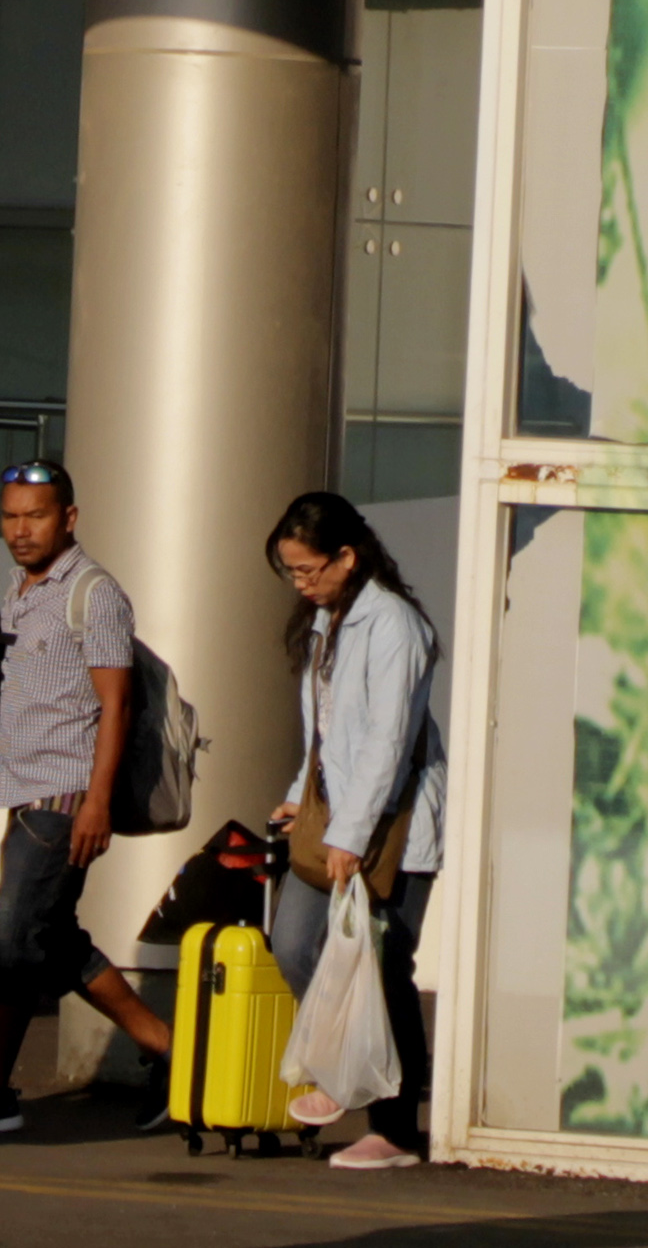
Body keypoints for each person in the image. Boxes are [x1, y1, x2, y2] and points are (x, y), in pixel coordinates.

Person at [0, 462, 170, 1136]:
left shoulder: (94, 592)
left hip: (66, 795)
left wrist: (97, 802)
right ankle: (176, 1054)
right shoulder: (20, 590)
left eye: (36, 515)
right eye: (11, 516)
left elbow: (116, 705)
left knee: (12, 936)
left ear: (69, 518)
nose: (21, 530)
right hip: (24, 791)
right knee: (46, 937)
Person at [262, 491, 444, 1173]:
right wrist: (294, 799)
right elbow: (328, 732)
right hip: (339, 816)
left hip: (390, 822)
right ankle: (349, 1067)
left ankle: (395, 1129)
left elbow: (387, 741)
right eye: (292, 571)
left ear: (348, 555)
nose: (301, 583)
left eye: (310, 569)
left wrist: (351, 833)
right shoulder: (326, 621)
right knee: (295, 943)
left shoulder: (392, 623)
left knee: (386, 964)